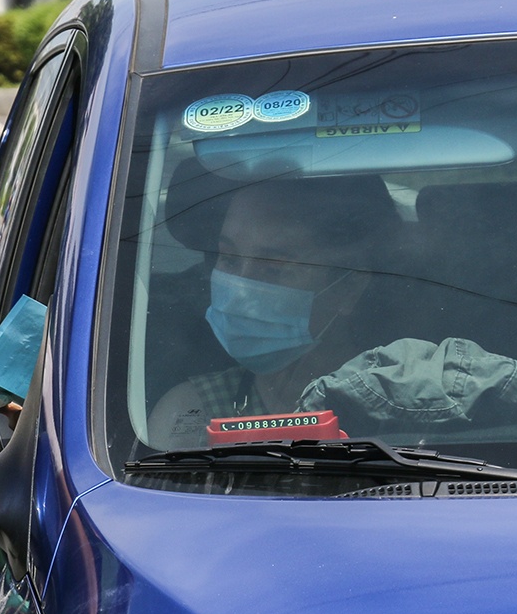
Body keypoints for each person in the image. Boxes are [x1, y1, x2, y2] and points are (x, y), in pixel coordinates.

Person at [149, 175, 399, 445]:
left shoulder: (407, 407)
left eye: (273, 268)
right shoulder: (191, 415)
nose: (239, 293)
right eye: (229, 259)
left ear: (349, 287)